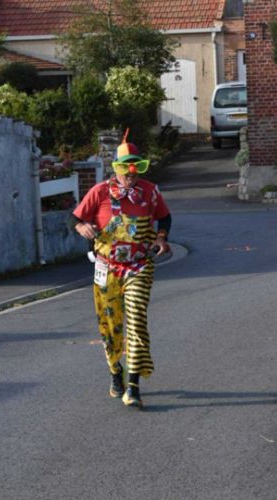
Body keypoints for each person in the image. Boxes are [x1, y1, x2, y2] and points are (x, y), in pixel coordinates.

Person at [69, 131, 172, 409]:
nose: (131, 173)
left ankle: (134, 386)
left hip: (139, 266)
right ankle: (116, 372)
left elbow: (165, 217)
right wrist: (81, 227)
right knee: (110, 325)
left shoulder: (150, 192)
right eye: (126, 167)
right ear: (116, 167)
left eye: (136, 167)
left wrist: (162, 238)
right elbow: (75, 218)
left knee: (137, 320)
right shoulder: (100, 192)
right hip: (107, 268)